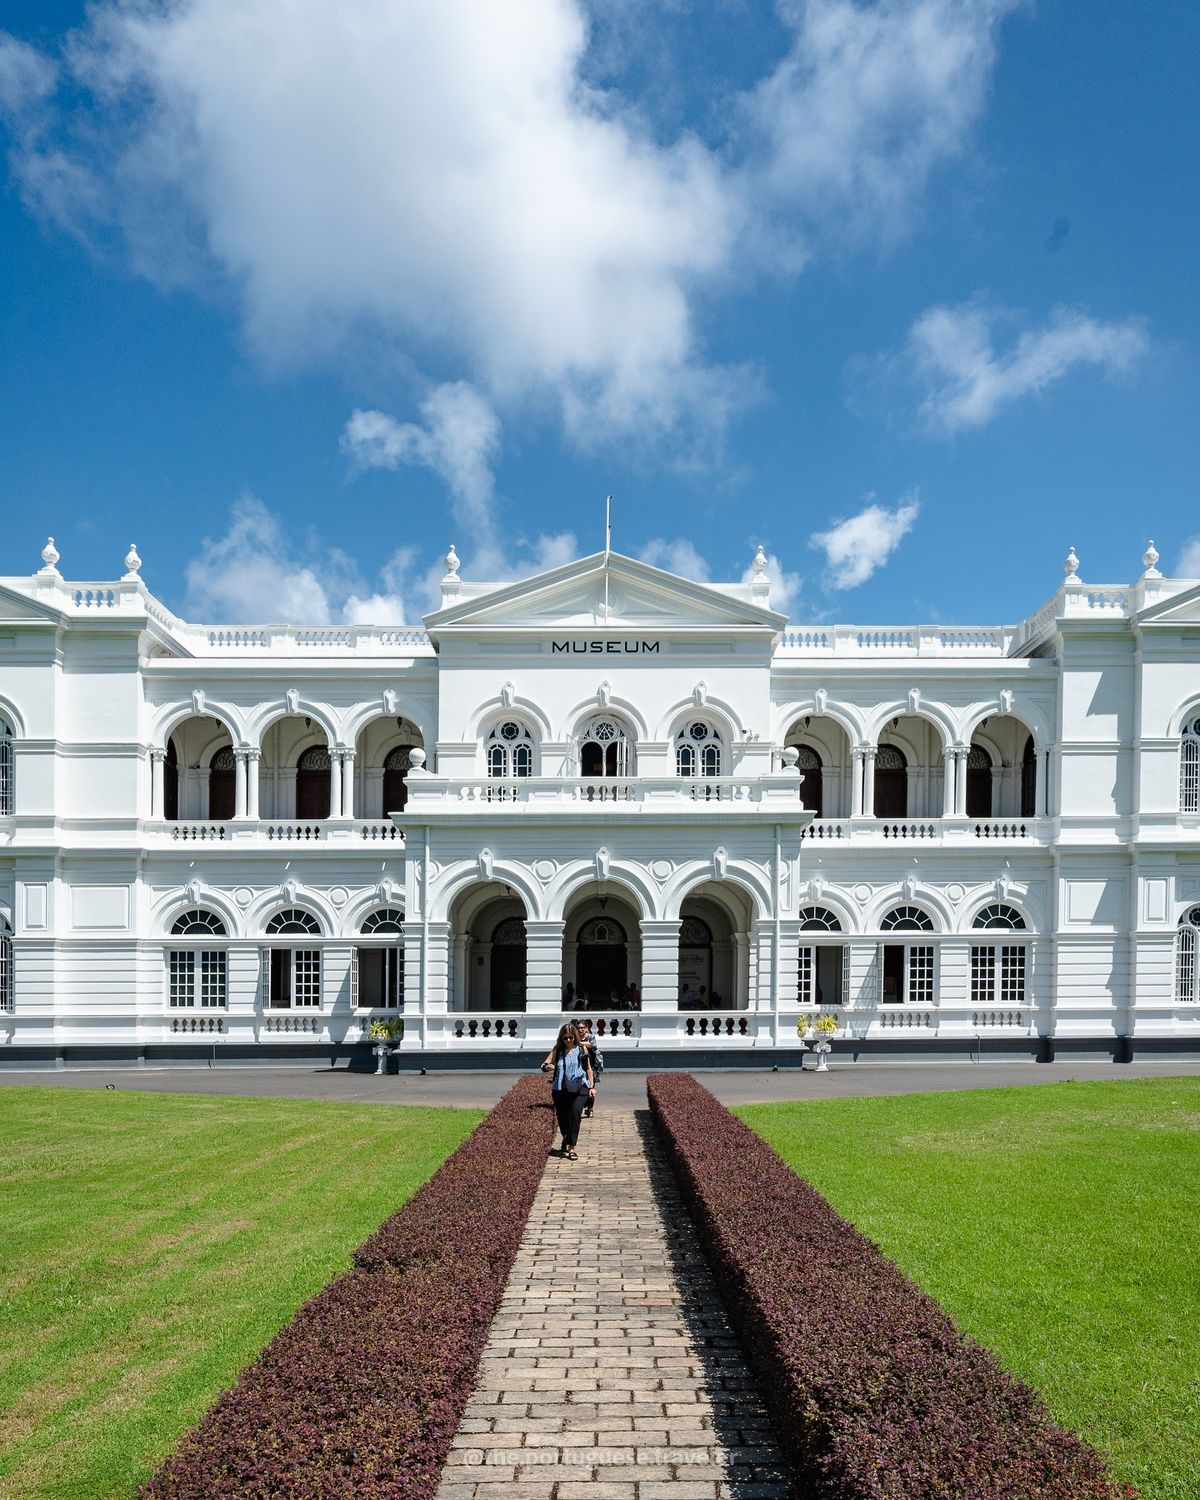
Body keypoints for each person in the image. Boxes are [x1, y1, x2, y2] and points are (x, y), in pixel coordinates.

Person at [540, 1021, 594, 1160]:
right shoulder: (558, 1050)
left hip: (580, 1086)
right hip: (560, 1088)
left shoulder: (582, 1049)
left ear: (575, 1036)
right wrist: (548, 1067)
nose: (569, 1040)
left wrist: (591, 1087)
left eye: (571, 1037)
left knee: (575, 1114)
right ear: (561, 1038)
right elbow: (544, 1065)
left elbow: (588, 1069)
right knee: (563, 1118)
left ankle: (571, 1147)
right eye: (565, 1038)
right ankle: (565, 1137)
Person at [576, 1017, 604, 1118]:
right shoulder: (574, 1037)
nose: (580, 1030)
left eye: (582, 1028)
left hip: (591, 1066)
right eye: (578, 1028)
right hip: (579, 1066)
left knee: (591, 1087)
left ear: (586, 1028)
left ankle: (590, 1108)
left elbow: (592, 1045)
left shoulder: (590, 1037)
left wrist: (579, 1043)